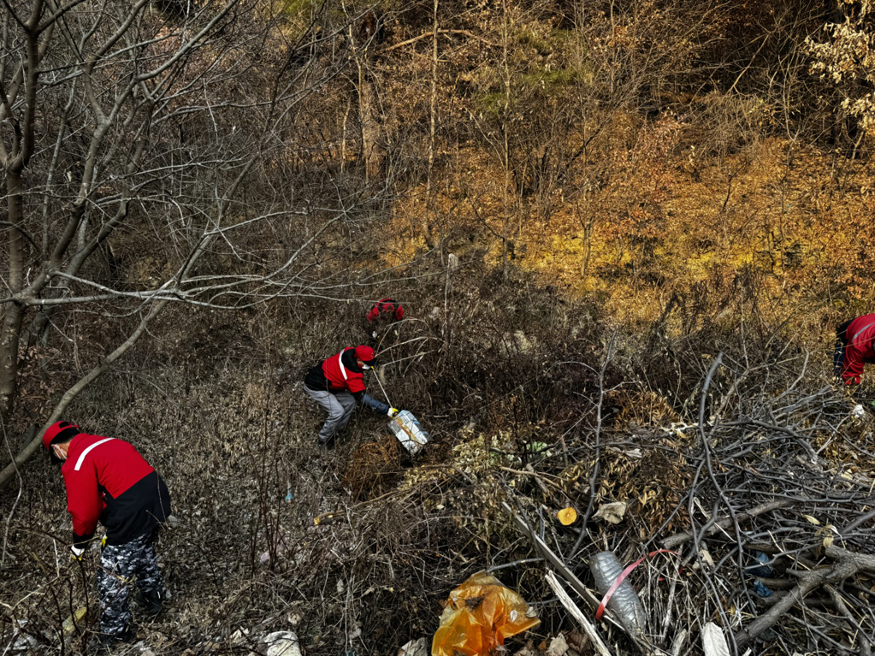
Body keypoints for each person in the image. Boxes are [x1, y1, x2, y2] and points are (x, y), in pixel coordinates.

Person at [43, 421, 171, 651]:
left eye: (57, 455)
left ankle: (115, 634)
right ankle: (155, 596)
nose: (60, 459)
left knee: (110, 576)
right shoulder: (108, 441)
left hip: (130, 512)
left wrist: (79, 543)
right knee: (141, 548)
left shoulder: (77, 461)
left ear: (57, 448)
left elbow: (84, 512)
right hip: (158, 500)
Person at [304, 345, 398, 447]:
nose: (368, 367)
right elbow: (362, 397)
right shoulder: (352, 375)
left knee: (350, 401)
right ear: (358, 360)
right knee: (337, 412)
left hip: (331, 384)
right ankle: (323, 440)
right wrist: (386, 410)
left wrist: (370, 363)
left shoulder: (349, 351)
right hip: (316, 386)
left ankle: (337, 431)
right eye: (366, 364)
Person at [834, 314, 875, 413]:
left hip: (868, 326)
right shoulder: (858, 344)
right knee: (840, 375)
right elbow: (850, 375)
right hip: (848, 333)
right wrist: (857, 405)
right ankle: (839, 410)